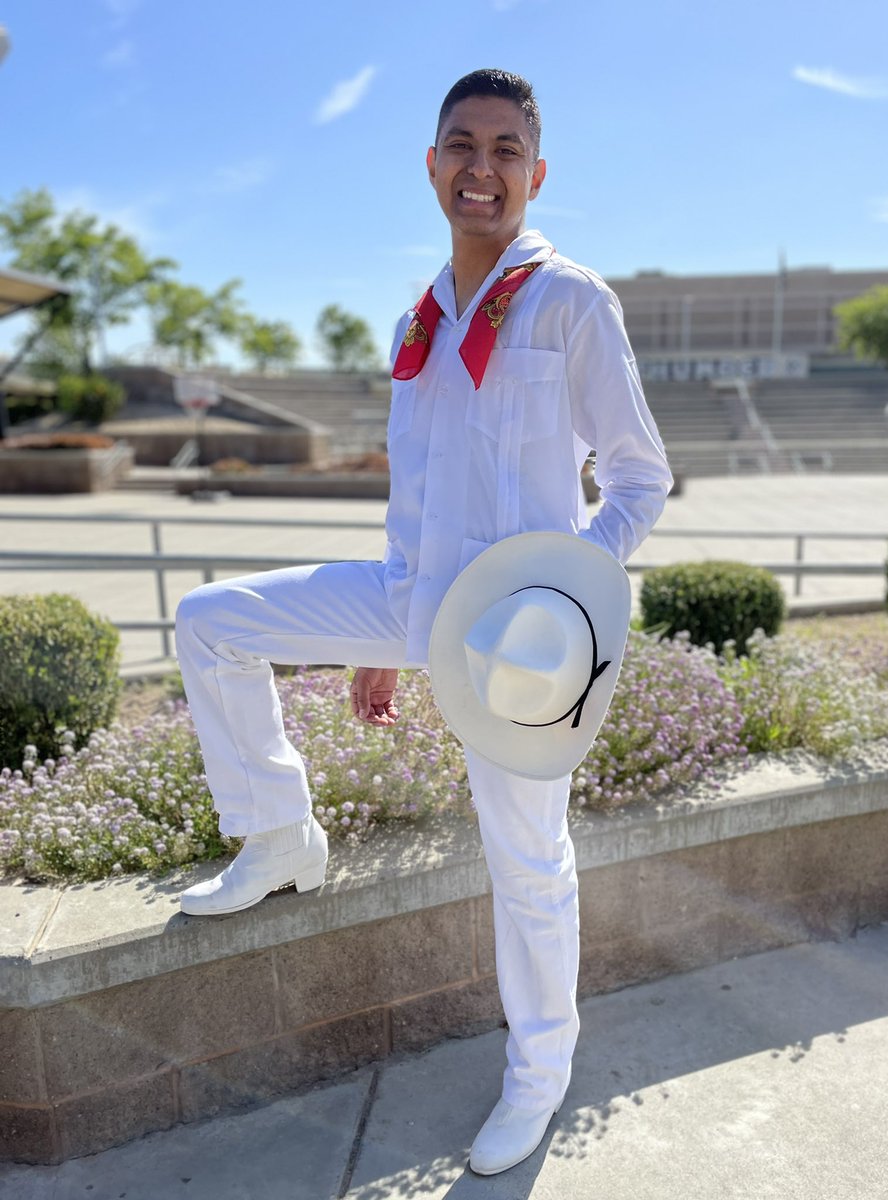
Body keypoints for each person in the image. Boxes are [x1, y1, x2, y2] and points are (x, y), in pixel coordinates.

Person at [173, 68, 673, 1176]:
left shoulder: (570, 303)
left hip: (521, 638)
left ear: (534, 174)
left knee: (526, 857)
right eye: (461, 145)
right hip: (412, 599)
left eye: (504, 150)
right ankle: (278, 833)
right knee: (209, 620)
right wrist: (386, 644)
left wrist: (568, 593)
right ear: (431, 163)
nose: (480, 168)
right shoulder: (417, 316)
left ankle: (538, 1074)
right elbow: (418, 486)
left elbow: (640, 479)